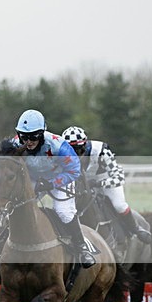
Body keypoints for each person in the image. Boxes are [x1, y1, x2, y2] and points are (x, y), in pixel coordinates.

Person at [12, 110, 96, 267]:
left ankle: (82, 247)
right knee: (20, 207)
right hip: (35, 178)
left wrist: (52, 183)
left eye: (33, 136)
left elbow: (74, 170)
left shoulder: (59, 146)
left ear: (42, 134)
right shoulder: (15, 144)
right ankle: (9, 248)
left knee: (64, 212)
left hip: (61, 177)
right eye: (24, 136)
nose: (28, 141)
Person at [62, 126, 152, 244]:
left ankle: (135, 229)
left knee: (119, 205)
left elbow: (118, 177)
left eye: (78, 150)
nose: (75, 155)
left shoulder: (101, 150)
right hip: (82, 184)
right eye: (71, 151)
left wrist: (99, 183)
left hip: (106, 179)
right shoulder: (61, 154)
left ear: (85, 145)